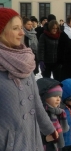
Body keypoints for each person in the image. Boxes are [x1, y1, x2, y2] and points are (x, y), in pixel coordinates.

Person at [0, 8, 58, 150]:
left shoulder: (25, 61)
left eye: (21, 27)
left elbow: (36, 103)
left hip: (32, 140)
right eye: (15, 28)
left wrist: (49, 129)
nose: (22, 33)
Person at [37, 78, 69, 151]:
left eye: (59, 97)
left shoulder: (59, 112)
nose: (58, 99)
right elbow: (31, 134)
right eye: (54, 96)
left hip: (56, 146)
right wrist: (45, 139)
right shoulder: (38, 114)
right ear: (44, 97)